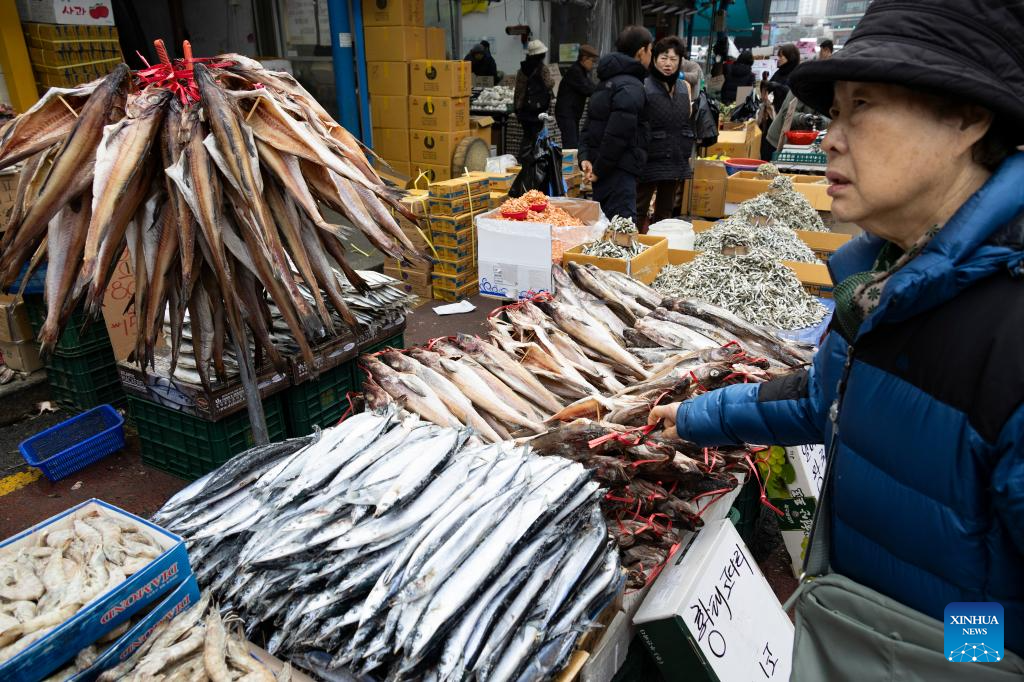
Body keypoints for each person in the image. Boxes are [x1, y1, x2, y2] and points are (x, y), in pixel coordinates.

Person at [649, 0, 1024, 673]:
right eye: (836, 110)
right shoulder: (883, 281)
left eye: (863, 107)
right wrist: (693, 416)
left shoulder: (1010, 329)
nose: (830, 138)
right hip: (869, 635)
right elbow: (826, 400)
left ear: (968, 119)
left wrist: (968, 658)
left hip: (966, 651)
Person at [579, 26, 652, 223]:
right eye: (651, 50)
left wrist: (585, 157)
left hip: (604, 171)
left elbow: (588, 125)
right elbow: (618, 135)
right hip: (618, 172)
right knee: (620, 230)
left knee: (605, 227)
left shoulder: (606, 82)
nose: (651, 56)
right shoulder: (630, 86)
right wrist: (599, 169)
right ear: (641, 52)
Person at [636, 36, 694, 232]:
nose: (668, 64)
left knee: (666, 210)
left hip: (675, 156)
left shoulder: (685, 87)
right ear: (654, 59)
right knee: (639, 206)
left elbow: (687, 116)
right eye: (663, 58)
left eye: (673, 59)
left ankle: (659, 243)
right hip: (649, 156)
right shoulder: (643, 85)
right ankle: (634, 242)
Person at [766, 41, 833, 151]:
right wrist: (804, 118)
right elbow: (787, 114)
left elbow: (831, 117)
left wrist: (822, 121)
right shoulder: (800, 87)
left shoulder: (828, 91)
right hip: (779, 139)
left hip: (803, 142)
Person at [513, 40, 556, 160]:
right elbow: (549, 84)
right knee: (537, 137)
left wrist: (517, 108)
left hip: (524, 110)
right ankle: (534, 163)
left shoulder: (522, 69)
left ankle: (523, 161)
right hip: (537, 109)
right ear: (542, 55)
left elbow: (518, 90)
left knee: (527, 137)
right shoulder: (542, 69)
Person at [555, 44, 599, 150]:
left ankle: (570, 161)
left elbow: (591, 86)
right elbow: (588, 89)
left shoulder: (581, 71)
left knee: (574, 145)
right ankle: (568, 162)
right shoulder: (575, 71)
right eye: (592, 61)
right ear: (584, 58)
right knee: (571, 145)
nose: (593, 65)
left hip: (572, 114)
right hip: (566, 114)